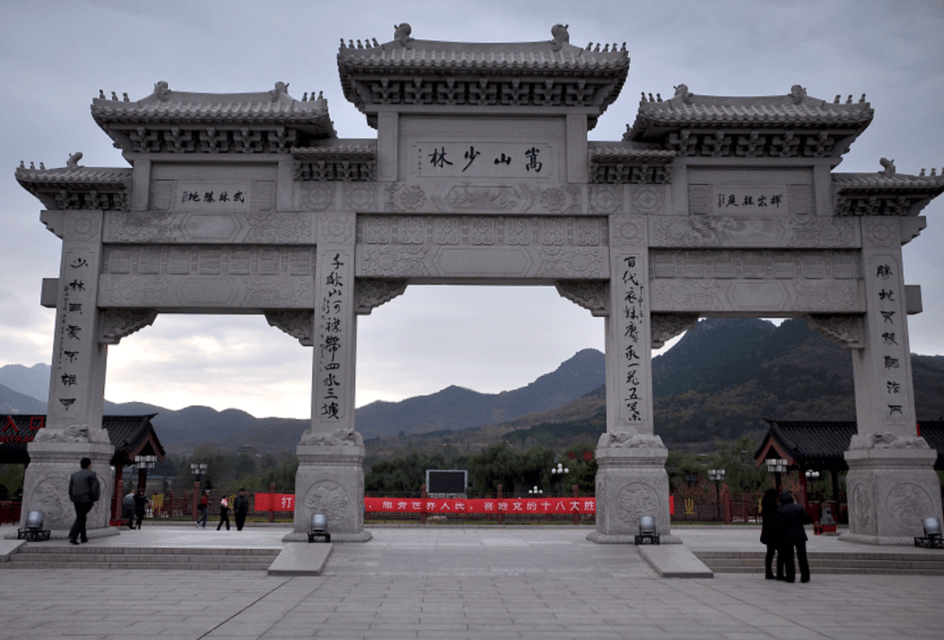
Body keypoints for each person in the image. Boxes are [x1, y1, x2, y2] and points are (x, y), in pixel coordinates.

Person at [775, 491, 812, 583]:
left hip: (787, 536)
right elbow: (806, 520)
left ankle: (790, 577)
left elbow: (777, 524)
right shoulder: (799, 507)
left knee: (789, 557)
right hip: (800, 535)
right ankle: (805, 577)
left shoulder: (780, 510)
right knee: (802, 557)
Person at [68, 457, 100, 545]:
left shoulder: (74, 475)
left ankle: (83, 537)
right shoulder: (92, 474)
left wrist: (72, 497)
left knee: (81, 517)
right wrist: (94, 499)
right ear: (89, 465)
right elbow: (94, 488)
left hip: (76, 499)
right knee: (80, 517)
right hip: (86, 499)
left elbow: (70, 488)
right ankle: (73, 537)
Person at [759, 489, 781, 580]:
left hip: (767, 533)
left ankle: (769, 572)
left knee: (770, 553)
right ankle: (780, 572)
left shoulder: (765, 506)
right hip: (776, 533)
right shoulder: (775, 508)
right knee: (780, 553)